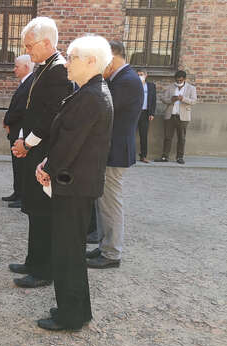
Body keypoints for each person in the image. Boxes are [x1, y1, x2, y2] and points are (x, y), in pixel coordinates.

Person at [35, 34, 113, 332]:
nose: (67, 63)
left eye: (73, 58)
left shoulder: (92, 96)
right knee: (69, 251)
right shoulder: (90, 92)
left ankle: (71, 315)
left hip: (74, 187)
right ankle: (76, 309)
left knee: (68, 253)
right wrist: (49, 163)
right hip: (76, 185)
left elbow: (69, 144)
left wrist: (48, 168)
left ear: (91, 61)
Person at [9, 17, 74, 288]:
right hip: (33, 147)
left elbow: (50, 116)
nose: (28, 50)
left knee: (43, 211)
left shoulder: (58, 70)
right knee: (34, 208)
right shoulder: (42, 68)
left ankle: (43, 270)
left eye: (30, 45)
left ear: (47, 42)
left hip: (44, 150)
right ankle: (33, 260)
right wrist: (22, 138)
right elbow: (30, 109)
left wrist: (28, 143)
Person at [86, 40, 143, 269]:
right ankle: (105, 244)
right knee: (104, 202)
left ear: (113, 56)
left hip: (116, 150)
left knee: (110, 203)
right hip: (110, 149)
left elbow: (105, 109)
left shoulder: (127, 80)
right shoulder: (120, 78)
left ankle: (112, 253)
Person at [2, 55, 35, 208]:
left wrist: (8, 120)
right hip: (15, 129)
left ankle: (23, 196)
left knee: (22, 165)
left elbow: (21, 109)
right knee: (17, 164)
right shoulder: (25, 82)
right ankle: (17, 192)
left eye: (17, 67)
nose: (14, 69)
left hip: (21, 130)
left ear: (26, 67)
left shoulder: (30, 83)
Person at [154, 70, 197, 164]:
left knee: (181, 138)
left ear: (185, 79)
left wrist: (183, 99)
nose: (178, 82)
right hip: (170, 116)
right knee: (167, 137)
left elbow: (194, 101)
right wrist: (171, 100)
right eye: (177, 80)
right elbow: (163, 99)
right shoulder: (170, 87)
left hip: (183, 117)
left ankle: (180, 157)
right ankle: (165, 157)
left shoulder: (191, 88)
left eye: (180, 80)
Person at [136, 69, 156, 163]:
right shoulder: (134, 85)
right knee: (130, 135)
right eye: (138, 74)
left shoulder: (151, 86)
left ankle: (143, 156)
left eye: (142, 74)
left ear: (146, 75)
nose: (140, 76)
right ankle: (129, 155)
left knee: (143, 135)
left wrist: (152, 113)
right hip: (134, 113)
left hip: (145, 113)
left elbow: (153, 100)